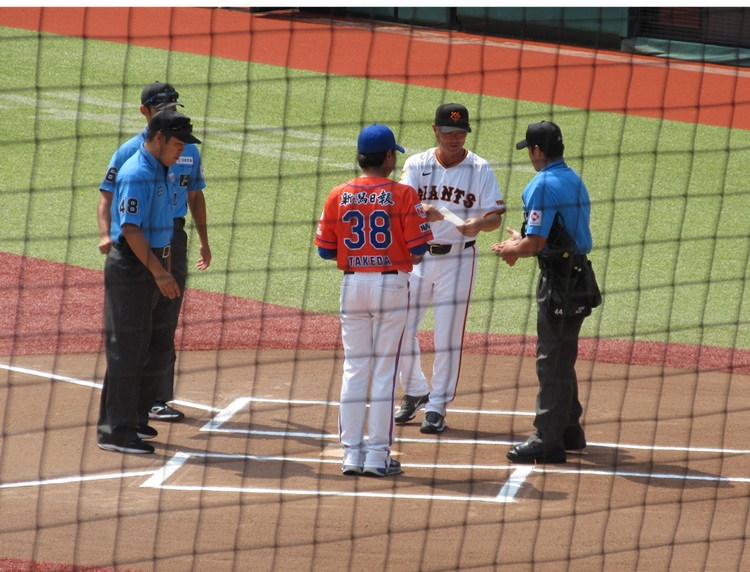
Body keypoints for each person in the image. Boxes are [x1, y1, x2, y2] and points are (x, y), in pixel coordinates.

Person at [315, 124, 433, 477]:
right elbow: (419, 249)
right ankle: (378, 456)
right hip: (390, 287)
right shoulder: (404, 194)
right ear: (388, 157)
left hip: (352, 286)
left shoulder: (338, 194)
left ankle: (352, 455)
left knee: (355, 369)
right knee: (384, 372)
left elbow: (325, 250)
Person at [97, 81, 211, 423]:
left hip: (172, 237)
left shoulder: (186, 150)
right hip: (138, 242)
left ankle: (154, 400)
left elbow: (195, 195)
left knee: (164, 323)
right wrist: (106, 234)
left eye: (173, 107)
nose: (169, 112)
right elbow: (108, 196)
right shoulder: (132, 154)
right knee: (134, 331)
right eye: (163, 108)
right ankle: (124, 417)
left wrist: (203, 240)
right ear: (145, 112)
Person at [492, 120, 598, 464]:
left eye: (530, 149)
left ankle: (547, 440)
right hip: (579, 276)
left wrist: (513, 248)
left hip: (559, 281)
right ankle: (569, 430)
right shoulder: (572, 178)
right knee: (562, 354)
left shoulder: (541, 185)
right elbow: (551, 235)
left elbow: (536, 243)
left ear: (537, 150)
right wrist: (521, 242)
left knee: (550, 359)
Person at [394, 103, 505, 434]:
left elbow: (495, 217)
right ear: (435, 131)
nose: (454, 139)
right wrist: (420, 208)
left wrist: (479, 224)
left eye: (460, 133)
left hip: (458, 260)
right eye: (448, 133)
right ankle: (416, 390)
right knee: (398, 328)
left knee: (447, 337)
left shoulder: (480, 168)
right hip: (417, 258)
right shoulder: (417, 164)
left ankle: (437, 406)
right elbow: (401, 203)